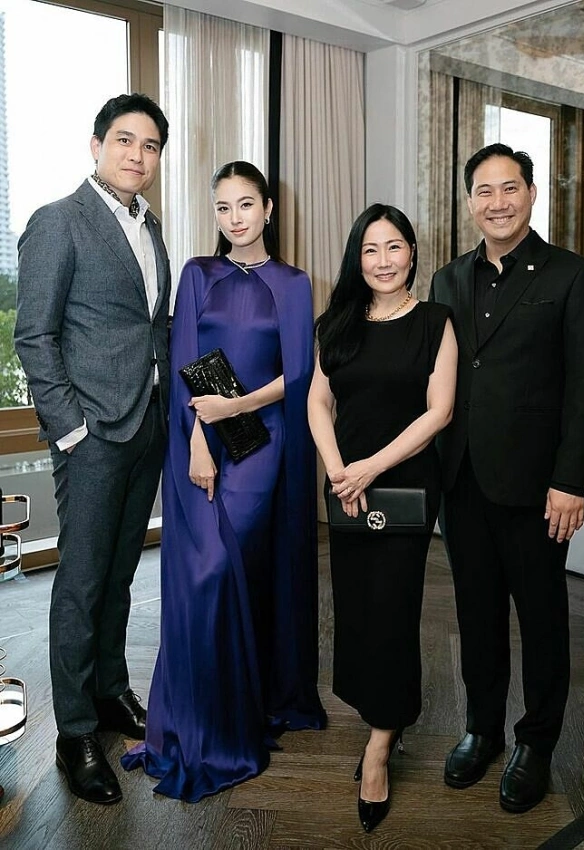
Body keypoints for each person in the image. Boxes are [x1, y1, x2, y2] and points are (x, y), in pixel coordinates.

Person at [122, 161, 326, 802]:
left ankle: (237, 717)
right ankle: (200, 719)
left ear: (268, 209)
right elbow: (185, 360)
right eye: (222, 208)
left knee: (231, 572)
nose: (234, 218)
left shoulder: (294, 285)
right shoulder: (198, 275)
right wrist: (201, 441)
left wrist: (233, 410)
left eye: (245, 204)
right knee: (202, 575)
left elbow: (296, 375)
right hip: (199, 447)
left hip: (264, 448)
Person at [429, 143, 584, 813]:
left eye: (510, 188)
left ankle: (536, 742)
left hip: (538, 489)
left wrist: (571, 482)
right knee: (475, 617)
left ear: (532, 195)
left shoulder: (572, 276)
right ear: (469, 201)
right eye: (484, 190)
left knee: (541, 621)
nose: (497, 201)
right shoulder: (447, 281)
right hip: (463, 481)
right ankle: (481, 730)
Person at [14, 94, 170, 805]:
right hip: (93, 436)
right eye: (125, 141)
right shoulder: (59, 221)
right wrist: (71, 429)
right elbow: (34, 336)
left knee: (117, 576)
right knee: (78, 586)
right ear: (96, 144)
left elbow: (149, 328)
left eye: (150, 145)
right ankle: (75, 732)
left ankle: (110, 693)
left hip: (147, 430)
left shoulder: (152, 226)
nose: (138, 155)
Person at [308, 203, 457, 832]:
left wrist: (368, 468)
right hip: (347, 489)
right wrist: (341, 468)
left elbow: (438, 413)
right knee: (359, 606)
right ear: (357, 258)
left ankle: (379, 745)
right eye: (371, 250)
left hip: (402, 490)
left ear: (413, 255)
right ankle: (377, 712)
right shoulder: (335, 324)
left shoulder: (435, 323)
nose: (384, 260)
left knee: (394, 609)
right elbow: (318, 400)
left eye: (395, 247)